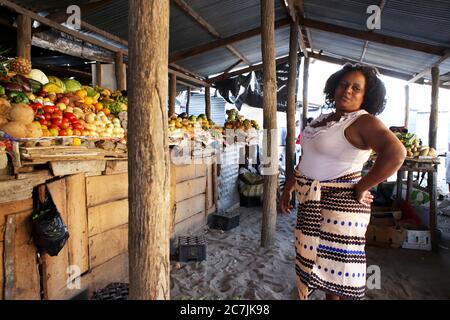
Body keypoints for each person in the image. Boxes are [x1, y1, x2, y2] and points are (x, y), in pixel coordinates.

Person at [280, 63, 406, 300]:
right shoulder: (324, 118)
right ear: (334, 87)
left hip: (341, 207)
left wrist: (362, 186)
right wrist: (288, 188)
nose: (347, 91)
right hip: (311, 202)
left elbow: (396, 153)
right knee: (323, 268)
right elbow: (306, 158)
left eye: (356, 88)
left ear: (365, 96)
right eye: (343, 84)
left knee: (338, 275)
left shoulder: (363, 122)